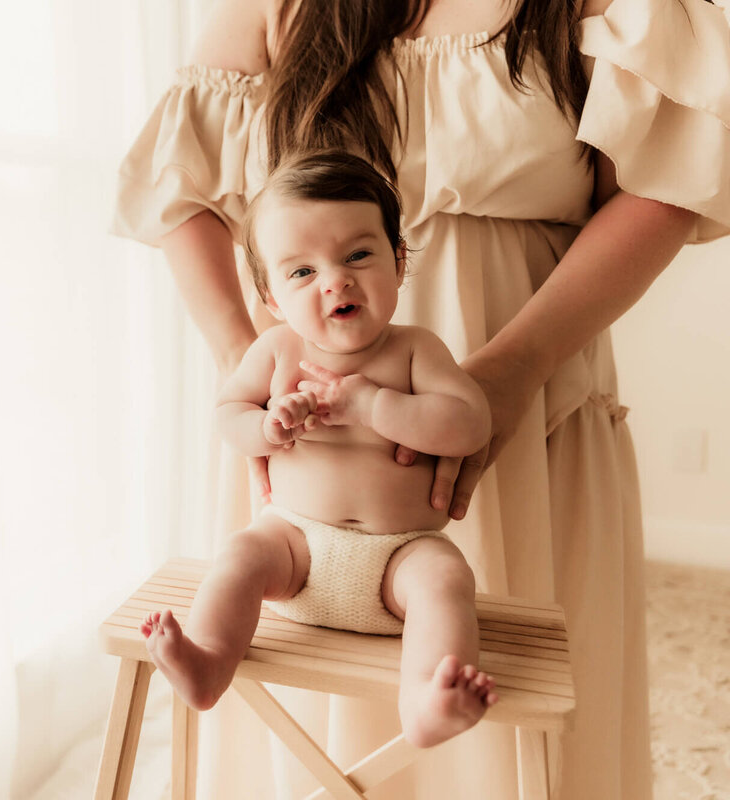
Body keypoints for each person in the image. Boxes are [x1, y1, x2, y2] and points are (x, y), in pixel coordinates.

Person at [113, 0, 730, 797]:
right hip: (308, 453)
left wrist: (510, 374)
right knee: (294, 695)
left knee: (488, 690)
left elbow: (673, 174)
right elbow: (181, 182)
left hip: (532, 398)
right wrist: (254, 367)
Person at [140, 150, 499, 749]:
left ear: (399, 261)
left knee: (446, 582)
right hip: (295, 547)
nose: (336, 279)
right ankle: (207, 660)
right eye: (302, 272)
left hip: (400, 559)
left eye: (358, 254)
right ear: (273, 297)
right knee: (239, 555)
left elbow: (469, 425)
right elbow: (228, 415)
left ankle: (427, 700)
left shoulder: (416, 351)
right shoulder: (277, 350)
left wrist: (375, 406)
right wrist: (267, 428)